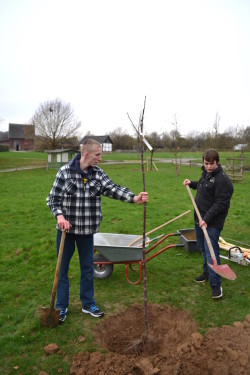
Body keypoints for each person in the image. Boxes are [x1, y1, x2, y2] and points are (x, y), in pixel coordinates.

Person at [46, 139, 148, 323]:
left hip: (87, 232)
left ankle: (88, 304)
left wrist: (134, 198)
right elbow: (53, 199)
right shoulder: (65, 172)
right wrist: (60, 216)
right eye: (97, 155)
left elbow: (113, 189)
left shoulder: (98, 174)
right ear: (86, 154)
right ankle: (61, 307)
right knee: (62, 270)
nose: (100, 158)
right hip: (66, 233)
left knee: (87, 269)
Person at [183, 149, 233, 299]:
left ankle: (216, 284)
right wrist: (191, 183)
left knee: (212, 252)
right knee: (203, 249)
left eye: (212, 164)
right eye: (206, 163)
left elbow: (221, 203)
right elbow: (202, 186)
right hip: (200, 219)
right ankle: (207, 272)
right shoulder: (206, 174)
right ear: (203, 162)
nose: (209, 167)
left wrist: (207, 219)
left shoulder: (222, 180)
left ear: (217, 162)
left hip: (212, 222)